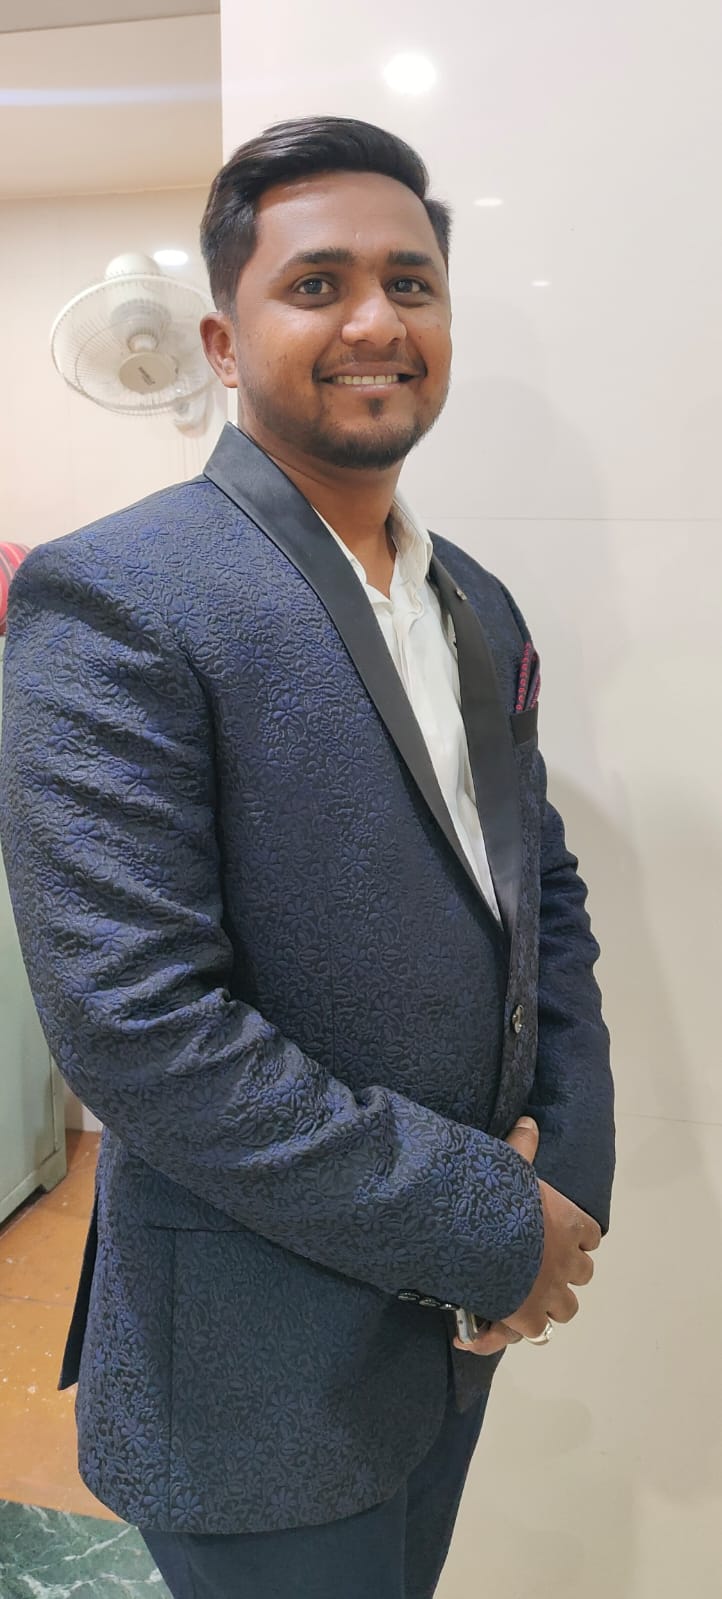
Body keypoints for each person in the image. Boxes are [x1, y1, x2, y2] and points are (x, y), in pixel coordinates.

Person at [0, 117, 615, 1599]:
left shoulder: (474, 600)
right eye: (317, 283)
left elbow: (536, 889)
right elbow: (137, 1027)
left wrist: (572, 1172)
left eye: (411, 283)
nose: (374, 321)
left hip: (449, 1335)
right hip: (253, 1365)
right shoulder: (117, 594)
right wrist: (490, 1224)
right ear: (222, 341)